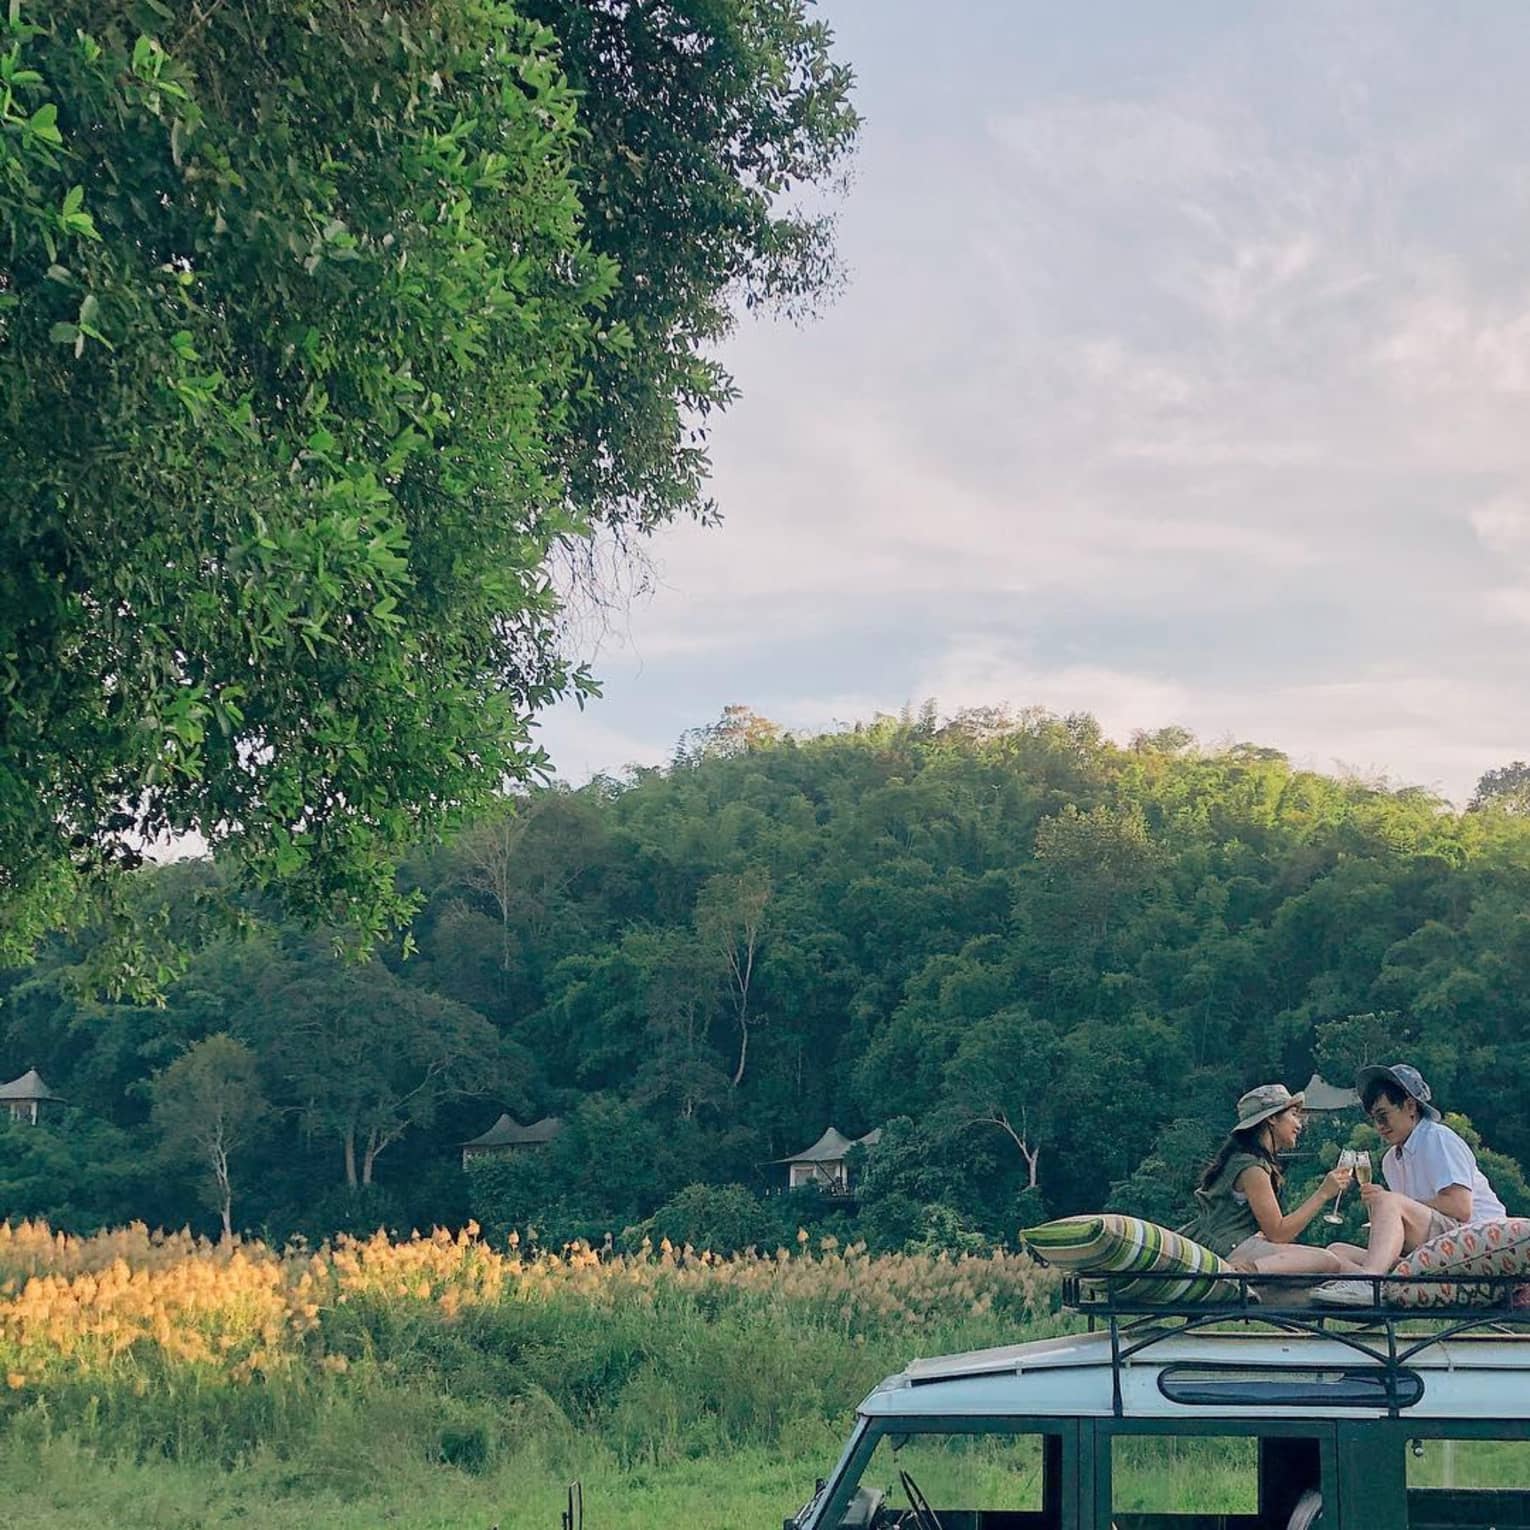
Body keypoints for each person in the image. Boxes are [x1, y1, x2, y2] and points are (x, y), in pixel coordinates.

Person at [1312, 1062, 1506, 1306]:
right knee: (1337, 1251)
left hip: (1475, 1240)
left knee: (1388, 1200)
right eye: (1374, 1119)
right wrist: (1382, 1209)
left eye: (1384, 1116)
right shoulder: (1391, 1160)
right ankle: (1372, 1287)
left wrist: (1392, 1203)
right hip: (1433, 1245)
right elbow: (1406, 1222)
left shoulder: (1438, 1138)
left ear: (1410, 1106)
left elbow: (1460, 1207)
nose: (1379, 1127)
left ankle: (1369, 1282)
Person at [1185, 1084, 1350, 1276]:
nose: (1299, 1124)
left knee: (1341, 1256)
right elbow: (1278, 1233)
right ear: (1271, 1118)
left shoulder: (1247, 1160)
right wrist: (1323, 1193)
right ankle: (1246, 1272)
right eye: (1294, 1115)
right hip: (1230, 1248)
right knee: (1327, 1260)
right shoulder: (1251, 1167)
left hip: (1232, 1244)